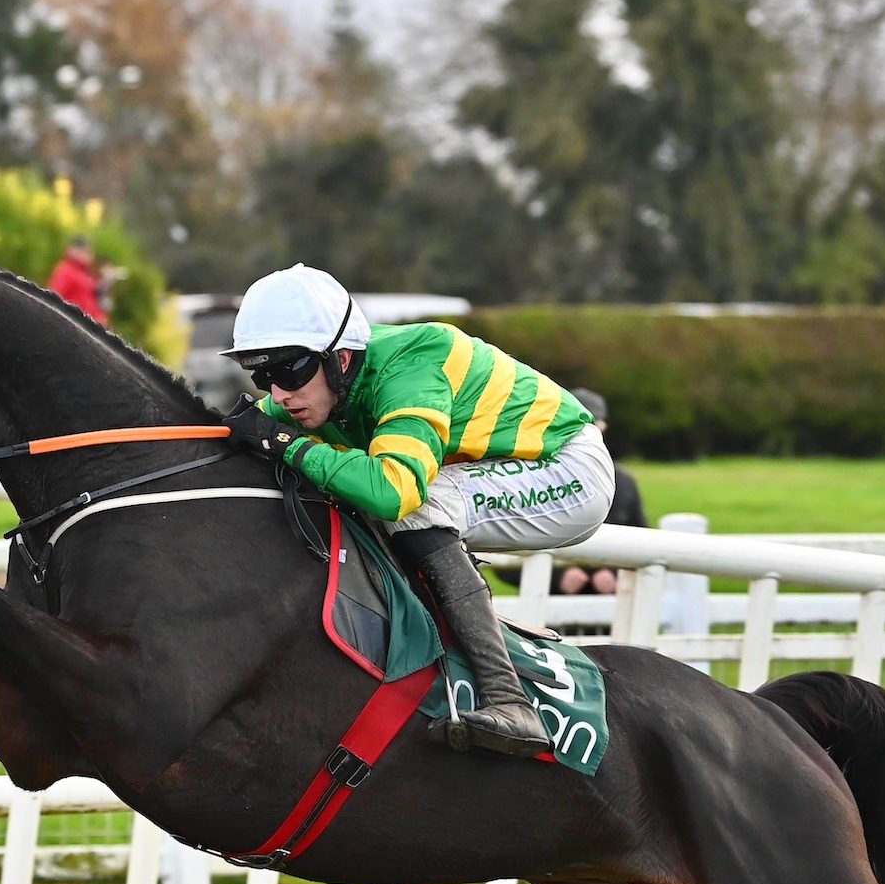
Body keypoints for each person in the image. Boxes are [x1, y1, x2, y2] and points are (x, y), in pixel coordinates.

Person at [221, 264, 613, 758]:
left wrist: (288, 445)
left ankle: (510, 700)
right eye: (262, 374)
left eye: (289, 370)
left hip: (568, 469)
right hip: (494, 469)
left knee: (413, 504)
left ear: (341, 358)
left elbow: (393, 491)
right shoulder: (322, 387)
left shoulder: (413, 365)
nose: (278, 393)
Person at [553, 387, 647, 596]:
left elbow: (643, 544)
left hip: (612, 612)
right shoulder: (540, 478)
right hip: (549, 614)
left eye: (592, 425)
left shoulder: (624, 483)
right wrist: (557, 579)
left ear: (603, 427)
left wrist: (615, 575)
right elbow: (507, 550)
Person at [46, 236, 109, 325]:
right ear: (73, 250)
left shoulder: (85, 274)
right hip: (73, 324)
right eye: (84, 251)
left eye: (89, 252)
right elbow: (54, 298)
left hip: (88, 326)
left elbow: (92, 298)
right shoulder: (65, 270)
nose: (88, 255)